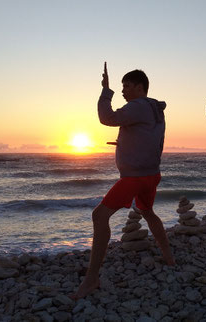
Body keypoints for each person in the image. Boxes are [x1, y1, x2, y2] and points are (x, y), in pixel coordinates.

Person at [71, 63, 175, 300]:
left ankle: (92, 278)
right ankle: (169, 257)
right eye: (121, 87)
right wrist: (125, 144)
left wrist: (106, 90)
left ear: (140, 87)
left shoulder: (138, 105)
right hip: (151, 174)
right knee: (148, 211)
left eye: (127, 86)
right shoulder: (155, 109)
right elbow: (151, 139)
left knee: (99, 216)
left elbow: (106, 118)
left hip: (134, 178)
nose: (124, 91)